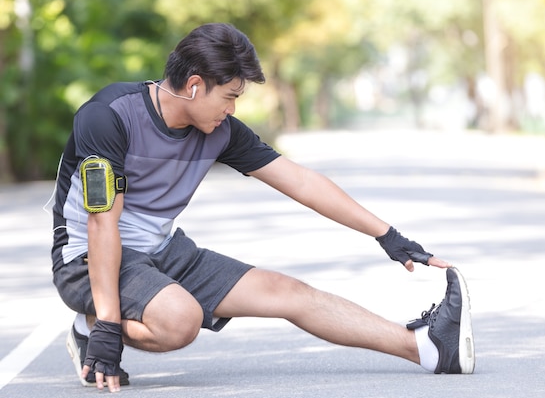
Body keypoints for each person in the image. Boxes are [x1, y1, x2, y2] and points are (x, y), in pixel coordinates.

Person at [50, 23, 475, 393]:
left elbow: (301, 181)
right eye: (230, 96)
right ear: (195, 85)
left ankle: (426, 349)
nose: (233, 109)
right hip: (86, 256)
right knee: (181, 320)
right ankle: (89, 327)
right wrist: (107, 324)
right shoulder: (108, 117)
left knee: (286, 292)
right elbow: (101, 224)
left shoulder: (220, 131)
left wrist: (386, 234)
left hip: (161, 252)